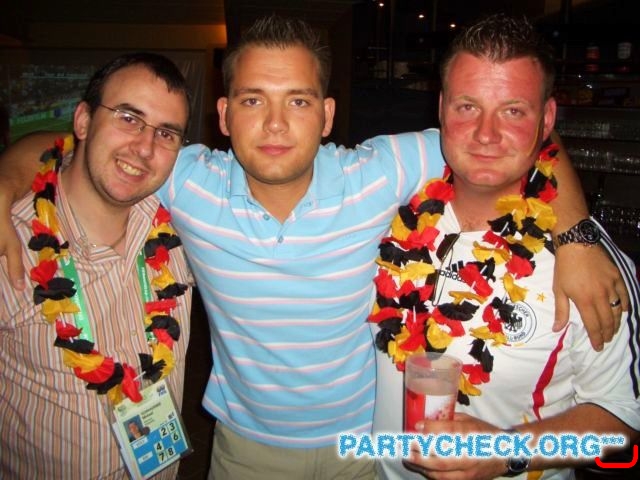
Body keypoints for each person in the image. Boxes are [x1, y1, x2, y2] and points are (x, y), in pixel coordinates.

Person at [0, 15, 629, 480]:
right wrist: (5, 178)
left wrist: (576, 235)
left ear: (327, 116)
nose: (275, 124)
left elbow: (508, 139)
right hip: (246, 450)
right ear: (224, 115)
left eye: (297, 101)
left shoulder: (380, 172)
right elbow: (81, 148)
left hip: (362, 451)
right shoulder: (183, 178)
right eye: (254, 100)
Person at [369, 14, 640, 480]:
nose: (486, 134)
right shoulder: (388, 217)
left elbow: (621, 420)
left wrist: (506, 452)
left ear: (547, 119)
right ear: (441, 108)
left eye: (513, 111)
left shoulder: (587, 262)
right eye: (467, 107)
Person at [0, 52, 193, 479]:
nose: (144, 147)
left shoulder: (184, 227)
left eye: (166, 133)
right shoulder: (10, 243)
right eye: (128, 117)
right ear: (83, 121)